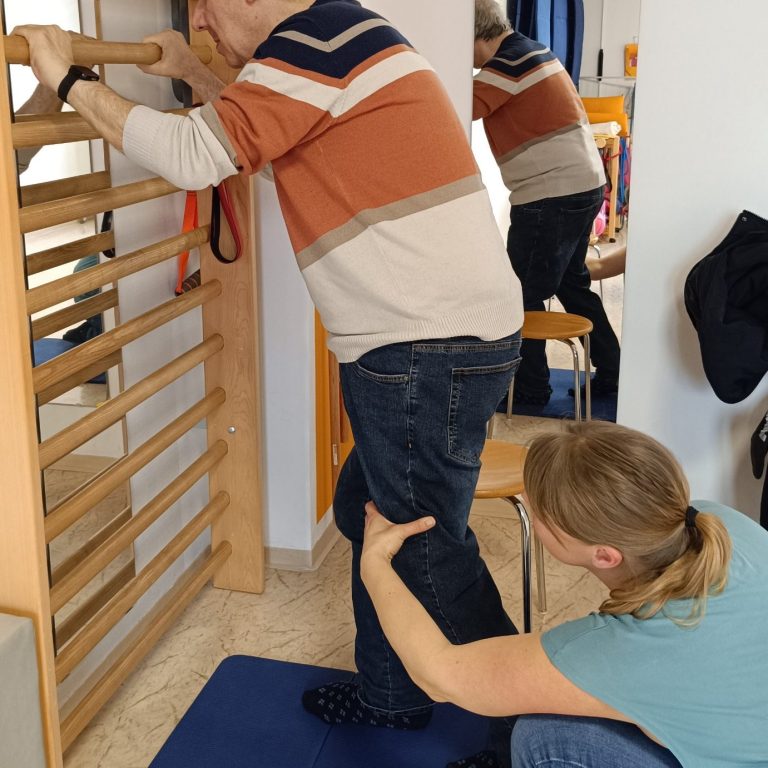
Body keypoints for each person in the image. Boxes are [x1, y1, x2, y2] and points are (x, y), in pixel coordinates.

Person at [15, 0, 524, 750]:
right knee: (371, 515)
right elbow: (255, 134)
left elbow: (197, 154)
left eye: (205, 6)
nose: (201, 24)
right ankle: (392, 695)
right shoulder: (334, 40)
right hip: (435, 339)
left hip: (423, 345)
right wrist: (194, 75)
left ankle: (528, 729)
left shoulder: (315, 39)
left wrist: (66, 79)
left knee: (420, 548)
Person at [360, 420, 768, 767]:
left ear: (604, 555)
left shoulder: (619, 649)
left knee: (544, 738)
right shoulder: (716, 521)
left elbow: (438, 676)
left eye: (537, 508)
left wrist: (375, 563)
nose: (526, 501)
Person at [473, 0, 621, 404]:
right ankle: (613, 371)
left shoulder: (508, 64)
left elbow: (455, 107)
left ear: (474, 35)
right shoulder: (532, 50)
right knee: (572, 284)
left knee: (519, 292)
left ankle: (530, 389)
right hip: (581, 185)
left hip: (552, 193)